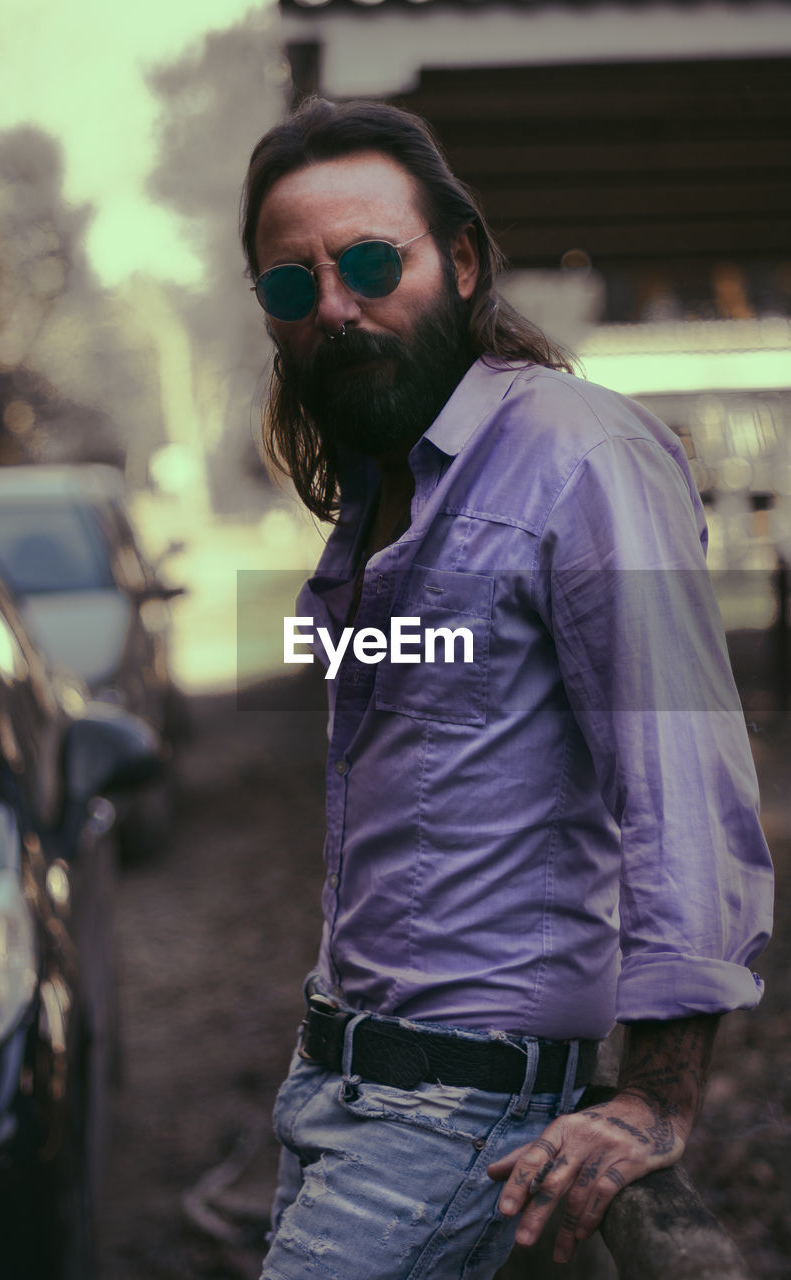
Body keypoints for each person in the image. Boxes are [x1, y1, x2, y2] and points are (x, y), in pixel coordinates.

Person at [241, 97, 773, 1278]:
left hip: (459, 1120)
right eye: (293, 285)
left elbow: (680, 781)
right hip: (331, 1088)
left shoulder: (582, 457)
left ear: (464, 259)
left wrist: (654, 1098)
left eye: (373, 262)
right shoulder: (382, 489)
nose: (336, 304)